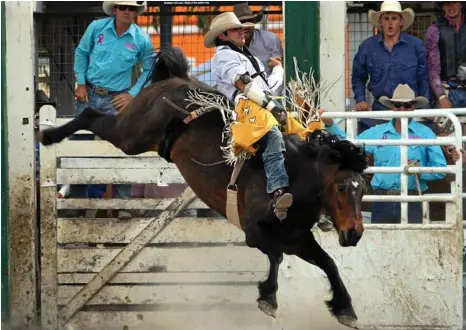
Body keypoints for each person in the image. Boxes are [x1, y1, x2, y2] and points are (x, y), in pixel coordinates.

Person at [72, 0, 155, 219]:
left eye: (132, 8)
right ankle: (77, 203)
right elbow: (81, 53)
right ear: (115, 10)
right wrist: (80, 83)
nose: (128, 11)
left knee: (122, 150)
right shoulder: (96, 27)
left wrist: (133, 95)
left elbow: (149, 69)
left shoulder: (142, 39)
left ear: (136, 12)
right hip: (88, 96)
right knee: (79, 150)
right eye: (123, 7)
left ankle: (123, 204)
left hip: (117, 100)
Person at [205, 12, 291, 221]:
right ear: (223, 35)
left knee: (299, 131)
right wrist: (271, 105)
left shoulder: (246, 57)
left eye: (241, 28)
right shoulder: (224, 55)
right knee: (272, 134)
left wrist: (278, 69)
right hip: (244, 105)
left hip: (261, 103)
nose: (242, 31)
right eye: (236, 29)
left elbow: (268, 86)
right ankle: (277, 189)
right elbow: (242, 83)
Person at [323, 84, 447, 224]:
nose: (402, 109)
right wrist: (331, 125)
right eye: (398, 105)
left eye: (407, 105)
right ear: (392, 107)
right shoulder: (377, 132)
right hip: (382, 200)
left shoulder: (425, 133)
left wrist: (420, 171)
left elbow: (441, 168)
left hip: (412, 199)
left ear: (414, 107)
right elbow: (350, 146)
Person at [352, 1, 430, 134]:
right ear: (380, 22)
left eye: (394, 18)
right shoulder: (367, 47)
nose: (390, 23)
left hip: (410, 109)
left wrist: (427, 108)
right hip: (380, 110)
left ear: (401, 21)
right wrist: (360, 99)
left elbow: (423, 78)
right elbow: (358, 76)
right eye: (386, 18)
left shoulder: (416, 46)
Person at [425, 1, 466, 129]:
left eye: (453, 2)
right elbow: (433, 67)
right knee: (444, 137)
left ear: (461, 4)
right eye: (446, 3)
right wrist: (441, 96)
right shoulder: (434, 29)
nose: (450, 6)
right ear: (442, 6)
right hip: (446, 89)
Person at [233, 3, 283, 77]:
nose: (245, 27)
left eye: (248, 21)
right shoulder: (229, 46)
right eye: (241, 23)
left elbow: (280, 68)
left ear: (253, 23)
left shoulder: (271, 39)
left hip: (271, 85)